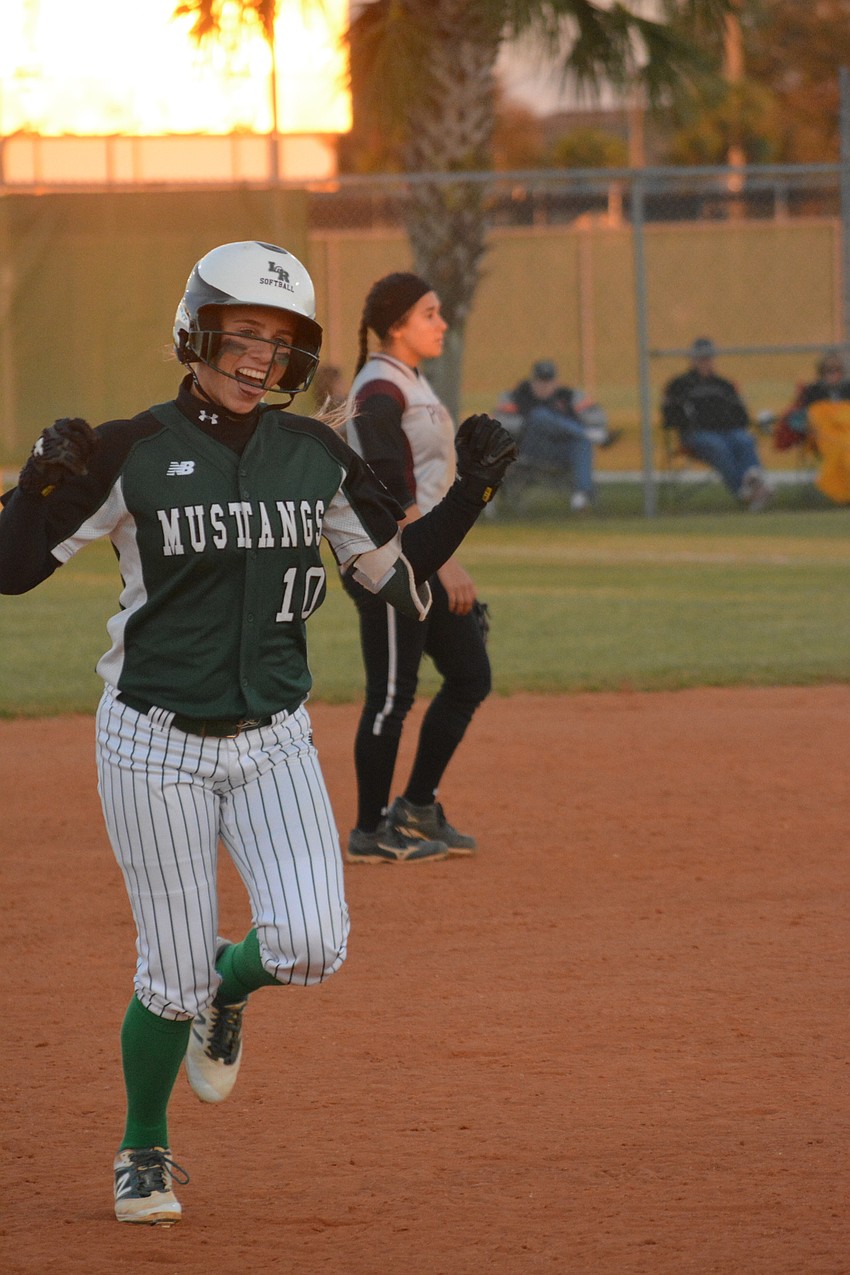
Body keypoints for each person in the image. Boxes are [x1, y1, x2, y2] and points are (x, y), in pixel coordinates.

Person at [0, 241, 516, 1226]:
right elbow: (12, 568)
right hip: (152, 740)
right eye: (242, 333)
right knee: (168, 968)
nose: (258, 357)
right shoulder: (130, 450)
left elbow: (396, 580)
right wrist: (37, 483)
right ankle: (142, 1148)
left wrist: (471, 496)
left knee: (312, 945)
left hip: (272, 735)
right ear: (196, 331)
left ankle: (224, 994)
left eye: (278, 342)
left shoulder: (312, 455)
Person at [341, 271, 497, 865]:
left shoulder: (408, 381)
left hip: (423, 557)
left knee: (468, 675)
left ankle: (417, 806)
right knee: (391, 696)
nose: (441, 323)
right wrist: (445, 564)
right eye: (428, 314)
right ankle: (368, 829)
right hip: (388, 564)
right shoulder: (379, 388)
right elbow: (389, 486)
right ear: (395, 326)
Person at [661, 337, 773, 511]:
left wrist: (734, 423)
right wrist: (687, 423)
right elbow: (669, 415)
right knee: (718, 446)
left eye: (708, 358)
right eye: (701, 358)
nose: (705, 362)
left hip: (728, 431)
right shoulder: (680, 384)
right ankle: (744, 491)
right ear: (692, 359)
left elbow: (741, 414)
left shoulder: (724, 384)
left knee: (745, 440)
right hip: (696, 433)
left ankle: (754, 483)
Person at [499, 359, 621, 512]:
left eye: (548, 381)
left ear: (555, 382)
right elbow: (501, 423)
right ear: (532, 381)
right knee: (539, 416)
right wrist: (528, 423)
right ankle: (588, 435)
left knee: (581, 443)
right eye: (540, 381)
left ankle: (581, 496)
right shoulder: (516, 396)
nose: (544, 386)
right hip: (529, 449)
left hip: (560, 451)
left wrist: (562, 426)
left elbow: (598, 416)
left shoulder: (568, 396)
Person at [775, 350, 850, 503]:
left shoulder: (848, 389)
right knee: (844, 449)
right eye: (828, 370)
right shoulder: (812, 391)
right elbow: (797, 417)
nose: (833, 374)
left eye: (837, 370)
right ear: (821, 372)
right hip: (823, 437)